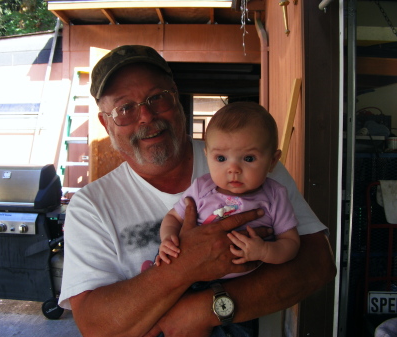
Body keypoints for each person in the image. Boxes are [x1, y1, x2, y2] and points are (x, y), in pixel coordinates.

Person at [58, 45, 336, 337]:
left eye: (157, 98)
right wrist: (185, 266)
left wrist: (201, 311)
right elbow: (94, 326)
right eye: (125, 108)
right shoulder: (91, 207)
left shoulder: (250, 163)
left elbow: (317, 263)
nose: (146, 116)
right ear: (105, 122)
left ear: (175, 97)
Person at [156, 102, 300, 277]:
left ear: (272, 160)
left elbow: (291, 243)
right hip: (195, 280)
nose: (233, 169)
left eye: (248, 158)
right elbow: (173, 217)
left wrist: (265, 251)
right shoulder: (201, 188)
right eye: (221, 158)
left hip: (250, 284)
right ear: (207, 155)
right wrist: (168, 239)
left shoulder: (275, 195)